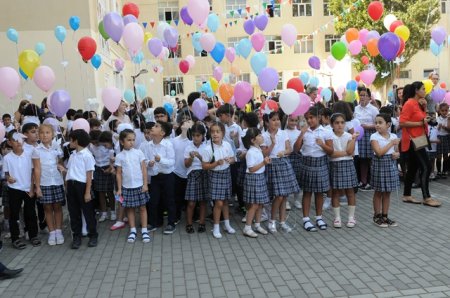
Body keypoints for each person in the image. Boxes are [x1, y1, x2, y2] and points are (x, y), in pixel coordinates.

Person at [400, 81, 441, 207]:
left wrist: (425, 108)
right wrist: (419, 123)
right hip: (413, 140)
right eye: (423, 89)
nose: (425, 91)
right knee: (427, 167)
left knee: (413, 167)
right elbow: (402, 122)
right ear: (416, 90)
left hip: (420, 138)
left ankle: (407, 195)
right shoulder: (409, 103)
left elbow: (422, 118)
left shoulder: (418, 103)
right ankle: (427, 198)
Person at [294, 107, 333, 232]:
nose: (309, 121)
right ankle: (306, 219)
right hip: (306, 163)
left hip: (320, 163)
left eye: (312, 118)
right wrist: (301, 133)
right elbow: (296, 149)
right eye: (307, 118)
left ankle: (319, 217)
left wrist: (322, 144)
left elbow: (331, 151)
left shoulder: (326, 131)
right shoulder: (304, 131)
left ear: (319, 117)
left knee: (320, 192)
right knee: (307, 192)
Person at [262, 111, 300, 233]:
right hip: (272, 165)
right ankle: (271, 221)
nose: (276, 122)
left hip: (284, 163)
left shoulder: (283, 133)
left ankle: (282, 221)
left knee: (284, 196)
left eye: (278, 119)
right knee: (278, 196)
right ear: (267, 122)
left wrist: (283, 152)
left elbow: (290, 149)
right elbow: (264, 154)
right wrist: (273, 143)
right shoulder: (264, 135)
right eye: (273, 120)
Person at [3, 130, 40, 249]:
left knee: (30, 212)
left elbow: (33, 172)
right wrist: (9, 178)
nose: (18, 142)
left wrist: (32, 188)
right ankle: (15, 238)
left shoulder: (29, 154)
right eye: (15, 140)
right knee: (14, 214)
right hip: (14, 189)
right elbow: (7, 174)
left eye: (20, 139)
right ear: (9, 142)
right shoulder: (7, 158)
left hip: (28, 188)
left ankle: (33, 235)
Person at [201, 121, 236, 239]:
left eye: (218, 131)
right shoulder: (207, 148)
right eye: (213, 132)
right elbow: (204, 166)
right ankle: (216, 227)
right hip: (214, 175)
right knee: (218, 202)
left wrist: (230, 160)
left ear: (223, 133)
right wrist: (215, 163)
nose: (215, 134)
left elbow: (233, 158)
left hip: (226, 174)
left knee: (225, 201)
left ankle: (227, 224)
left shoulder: (227, 144)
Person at [32, 124, 65, 245]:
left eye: (47, 133)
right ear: (38, 135)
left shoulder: (57, 148)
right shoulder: (36, 150)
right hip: (44, 182)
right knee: (47, 207)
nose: (44, 135)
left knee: (57, 206)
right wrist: (38, 187)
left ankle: (59, 230)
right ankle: (51, 232)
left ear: (52, 135)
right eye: (42, 133)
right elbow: (36, 169)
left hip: (56, 181)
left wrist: (61, 167)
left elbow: (60, 163)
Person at [115, 129, 150, 243]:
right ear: (121, 141)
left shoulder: (139, 153)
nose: (131, 142)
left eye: (133, 140)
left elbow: (144, 169)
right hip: (127, 187)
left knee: (142, 208)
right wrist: (119, 188)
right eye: (129, 140)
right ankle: (133, 230)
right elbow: (119, 173)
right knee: (130, 209)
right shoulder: (119, 156)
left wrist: (145, 184)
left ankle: (144, 230)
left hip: (139, 185)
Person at [65, 129, 98, 249]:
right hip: (71, 185)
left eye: (71, 139)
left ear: (76, 141)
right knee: (74, 212)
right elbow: (70, 170)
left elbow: (89, 175)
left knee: (88, 212)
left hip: (83, 186)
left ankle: (93, 235)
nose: (69, 142)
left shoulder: (87, 155)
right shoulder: (73, 154)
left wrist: (87, 192)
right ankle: (76, 237)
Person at [143, 121, 177, 234]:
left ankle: (171, 223)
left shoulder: (168, 144)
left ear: (162, 133)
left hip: (168, 176)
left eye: (156, 126)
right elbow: (146, 160)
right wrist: (149, 163)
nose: (153, 127)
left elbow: (172, 162)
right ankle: (154, 222)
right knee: (153, 200)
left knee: (169, 200)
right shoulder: (148, 145)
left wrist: (160, 160)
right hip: (155, 177)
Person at [370, 113, 400, 227]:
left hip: (390, 165)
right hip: (379, 165)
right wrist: (391, 143)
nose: (377, 125)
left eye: (380, 122)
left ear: (388, 125)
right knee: (378, 192)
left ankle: (385, 216)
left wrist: (397, 154)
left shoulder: (393, 136)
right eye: (376, 122)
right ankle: (377, 216)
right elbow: (379, 153)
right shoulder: (374, 137)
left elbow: (397, 151)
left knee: (387, 192)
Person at [329, 113, 358, 228]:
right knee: (335, 192)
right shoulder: (329, 136)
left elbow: (350, 151)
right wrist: (344, 152)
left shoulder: (349, 136)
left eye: (342, 122)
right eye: (337, 123)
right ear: (332, 124)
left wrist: (353, 140)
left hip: (347, 164)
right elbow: (331, 153)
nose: (340, 125)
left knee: (350, 191)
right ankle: (337, 218)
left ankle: (351, 217)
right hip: (334, 165)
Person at [241, 128, 270, 238]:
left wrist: (264, 162)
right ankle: (247, 227)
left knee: (260, 203)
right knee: (254, 205)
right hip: (253, 178)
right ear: (253, 140)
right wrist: (264, 163)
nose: (262, 136)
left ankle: (257, 225)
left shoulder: (258, 149)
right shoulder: (250, 152)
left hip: (260, 177)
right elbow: (252, 169)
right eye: (259, 135)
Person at [184, 123, 208, 233]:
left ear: (203, 135)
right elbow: (186, 164)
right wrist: (191, 158)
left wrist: (200, 156)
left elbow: (209, 162)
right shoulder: (188, 146)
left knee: (203, 201)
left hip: (204, 173)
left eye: (198, 135)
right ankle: (189, 224)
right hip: (193, 174)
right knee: (191, 202)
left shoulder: (207, 146)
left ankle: (202, 223)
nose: (195, 138)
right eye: (194, 135)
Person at [354, 86, 378, 191]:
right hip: (359, 136)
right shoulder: (356, 109)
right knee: (362, 160)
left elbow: (378, 124)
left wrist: (368, 126)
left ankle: (372, 182)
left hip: (370, 135)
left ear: (369, 97)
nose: (362, 97)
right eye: (361, 95)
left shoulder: (373, 109)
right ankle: (363, 182)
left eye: (365, 95)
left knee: (371, 160)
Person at [89, 130, 116, 222]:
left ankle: (113, 211)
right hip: (98, 168)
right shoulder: (91, 146)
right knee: (100, 192)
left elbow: (113, 156)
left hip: (108, 167)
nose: (95, 144)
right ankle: (103, 212)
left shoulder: (106, 145)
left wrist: (110, 168)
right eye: (93, 142)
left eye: (97, 142)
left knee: (109, 191)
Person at [171, 120, 192, 224]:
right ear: (182, 126)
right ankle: (176, 216)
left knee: (190, 198)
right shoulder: (174, 140)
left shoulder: (192, 141)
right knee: (177, 197)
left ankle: (192, 216)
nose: (189, 124)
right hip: (177, 172)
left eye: (190, 123)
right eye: (186, 122)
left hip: (190, 173)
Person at [285, 115, 302, 210]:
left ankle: (296, 199)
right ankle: (286, 200)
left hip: (298, 156)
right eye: (291, 120)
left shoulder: (299, 132)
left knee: (297, 178)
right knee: (287, 179)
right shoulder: (284, 132)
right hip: (287, 157)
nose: (293, 123)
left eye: (296, 120)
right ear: (287, 120)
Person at [436, 102, 450, 178]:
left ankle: (444, 171)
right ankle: (438, 171)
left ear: (448, 110)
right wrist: (438, 127)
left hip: (446, 137)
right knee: (438, 156)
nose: (444, 112)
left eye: (446, 110)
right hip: (439, 137)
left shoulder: (449, 119)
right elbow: (436, 130)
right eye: (442, 111)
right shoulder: (437, 119)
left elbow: (449, 130)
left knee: (445, 155)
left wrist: (444, 127)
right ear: (439, 111)